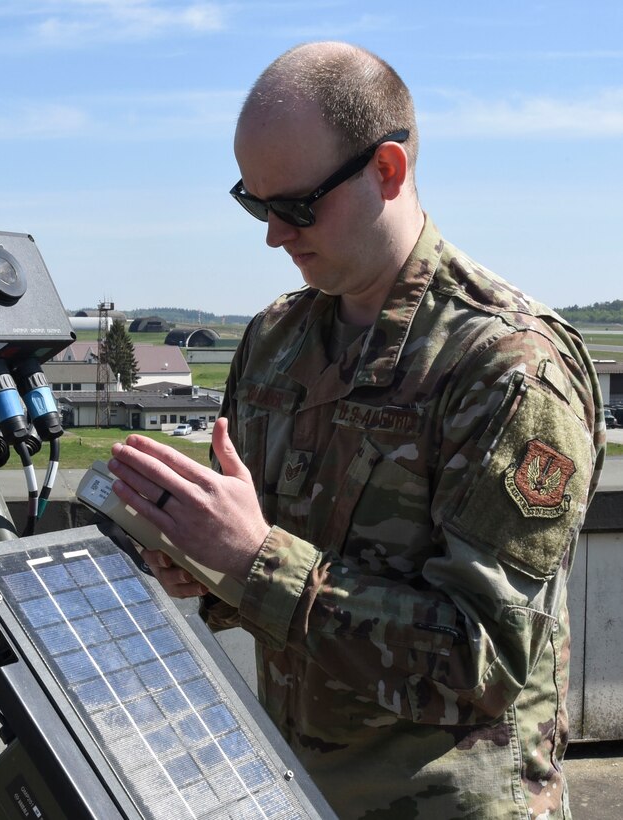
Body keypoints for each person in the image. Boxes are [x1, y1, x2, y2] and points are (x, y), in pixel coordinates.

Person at [107, 41, 605, 819]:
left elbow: (486, 657)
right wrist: (205, 562)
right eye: (255, 204)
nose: (274, 235)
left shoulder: (508, 366)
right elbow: (266, 571)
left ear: (388, 171)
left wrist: (253, 560)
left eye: (298, 206)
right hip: (294, 788)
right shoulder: (277, 341)